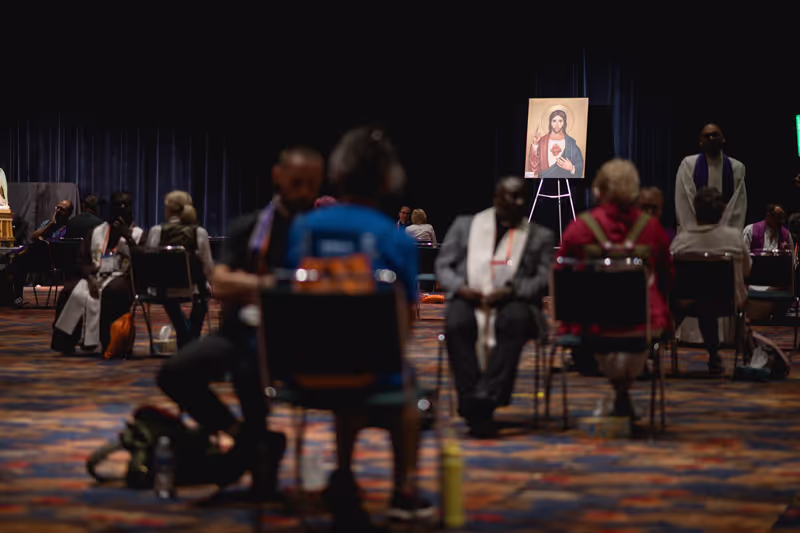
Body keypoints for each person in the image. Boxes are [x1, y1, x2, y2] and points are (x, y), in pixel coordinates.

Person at [157, 146, 324, 501]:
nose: (304, 192)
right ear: (278, 178)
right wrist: (274, 285)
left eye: (311, 184)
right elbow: (220, 283)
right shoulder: (251, 226)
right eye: (297, 183)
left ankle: (254, 452)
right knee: (173, 373)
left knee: (251, 366)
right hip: (238, 332)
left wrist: (257, 286)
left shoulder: (320, 232)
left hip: (298, 341)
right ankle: (250, 438)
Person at [286, 127, 431, 528]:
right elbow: (402, 330)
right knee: (405, 382)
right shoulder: (394, 239)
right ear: (387, 179)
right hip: (375, 369)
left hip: (304, 369)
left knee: (341, 364)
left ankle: (345, 474)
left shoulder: (302, 230)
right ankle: (403, 490)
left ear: (340, 173)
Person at [436, 176, 554, 436]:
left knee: (513, 321)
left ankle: (484, 397)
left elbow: (543, 278)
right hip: (470, 296)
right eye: (512, 196)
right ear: (496, 199)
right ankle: (474, 399)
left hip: (515, 301)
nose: (518, 202)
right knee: (457, 323)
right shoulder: (465, 225)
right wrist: (461, 288)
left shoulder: (541, 236)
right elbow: (443, 266)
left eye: (523, 196)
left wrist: (511, 291)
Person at [557, 159, 672, 418]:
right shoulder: (652, 228)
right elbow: (666, 276)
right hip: (643, 325)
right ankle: (623, 392)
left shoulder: (579, 228)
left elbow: (561, 277)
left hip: (592, 326)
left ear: (598, 190)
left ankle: (618, 392)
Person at [670, 187, 751, 374]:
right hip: (727, 302)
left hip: (685, 303)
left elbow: (671, 275)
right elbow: (747, 270)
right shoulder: (733, 238)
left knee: (701, 302)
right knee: (708, 303)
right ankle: (715, 355)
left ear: (695, 210)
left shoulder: (681, 242)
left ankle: (654, 344)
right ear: (722, 211)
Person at [52, 192, 144, 354]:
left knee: (112, 291)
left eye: (126, 204)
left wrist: (127, 237)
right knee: (71, 290)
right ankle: (65, 342)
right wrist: (89, 277)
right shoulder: (96, 232)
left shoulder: (138, 234)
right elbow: (82, 260)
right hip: (95, 275)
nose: (122, 208)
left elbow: (143, 264)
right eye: (117, 205)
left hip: (126, 278)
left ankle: (108, 341)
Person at [145, 190, 214, 348]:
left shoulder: (157, 231)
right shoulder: (199, 232)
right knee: (204, 294)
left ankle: (185, 336)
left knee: (168, 295)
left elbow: (149, 263)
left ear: (167, 210)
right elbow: (208, 266)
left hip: (164, 290)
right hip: (194, 288)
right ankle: (191, 337)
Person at [675, 123, 747, 232]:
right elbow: (685, 201)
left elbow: (737, 206)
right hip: (696, 233)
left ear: (723, 139)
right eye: (707, 136)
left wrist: (724, 232)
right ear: (700, 141)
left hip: (725, 234)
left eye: (715, 135)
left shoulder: (736, 167)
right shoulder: (688, 165)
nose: (711, 138)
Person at [9, 199, 74, 308]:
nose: (58, 211)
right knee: (19, 261)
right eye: (57, 208)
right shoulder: (47, 223)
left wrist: (45, 241)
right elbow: (34, 236)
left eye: (61, 209)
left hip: (56, 261)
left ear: (68, 213)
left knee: (36, 247)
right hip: (39, 259)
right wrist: (49, 225)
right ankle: (17, 297)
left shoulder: (70, 227)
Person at [742, 203, 795, 322]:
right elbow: (743, 257)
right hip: (753, 282)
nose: (780, 221)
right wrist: (764, 257)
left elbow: (792, 263)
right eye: (777, 217)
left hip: (777, 284)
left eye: (782, 217)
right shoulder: (750, 230)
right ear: (768, 216)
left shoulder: (786, 235)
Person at [527, 109, 585, 178]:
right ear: (550, 122)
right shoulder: (542, 141)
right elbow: (533, 168)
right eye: (554, 121)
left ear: (564, 123)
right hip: (545, 182)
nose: (557, 124)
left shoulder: (570, 143)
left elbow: (579, 166)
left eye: (560, 121)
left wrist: (572, 168)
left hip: (564, 181)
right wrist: (535, 144)